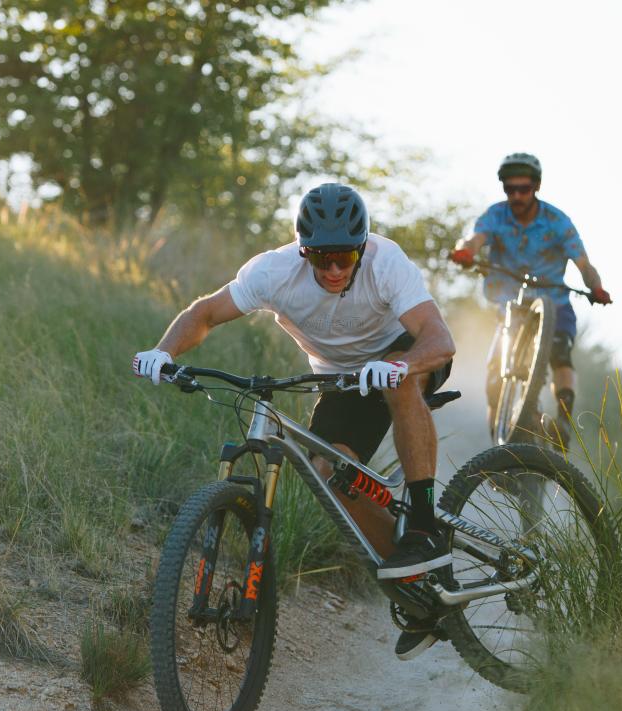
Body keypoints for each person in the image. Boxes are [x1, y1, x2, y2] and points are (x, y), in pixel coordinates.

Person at [133, 183, 456, 660]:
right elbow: (204, 313)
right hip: (343, 380)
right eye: (320, 257)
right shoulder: (273, 271)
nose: (331, 269)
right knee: (329, 473)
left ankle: (425, 525)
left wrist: (401, 365)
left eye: (344, 257)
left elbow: (438, 338)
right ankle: (418, 587)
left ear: (361, 247)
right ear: (303, 250)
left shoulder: (386, 262)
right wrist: (163, 353)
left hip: (403, 360)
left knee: (396, 381)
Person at [449, 153, 612, 448]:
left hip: (554, 301)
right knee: (494, 383)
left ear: (536, 187)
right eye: (510, 190)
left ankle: (563, 419)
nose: (517, 196)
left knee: (560, 351)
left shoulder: (557, 221)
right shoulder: (495, 215)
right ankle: (499, 450)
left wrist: (597, 288)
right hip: (510, 304)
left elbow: (584, 265)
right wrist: (465, 251)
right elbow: (474, 240)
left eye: (523, 189)